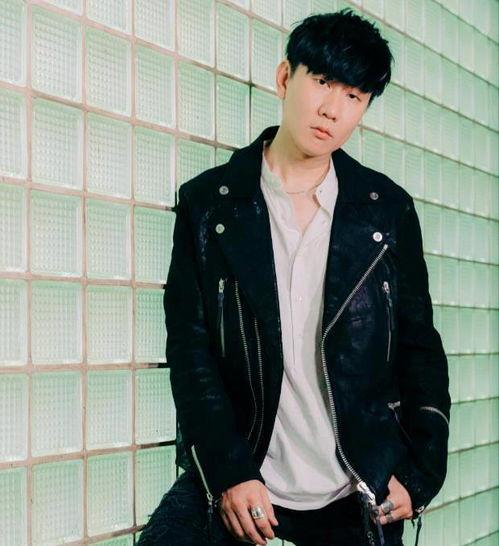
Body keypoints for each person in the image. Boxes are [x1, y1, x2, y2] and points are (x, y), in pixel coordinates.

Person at [138, 8, 450, 546]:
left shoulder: (386, 211)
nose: (332, 108)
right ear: (286, 78)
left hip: (355, 483)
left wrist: (422, 472)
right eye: (322, 81)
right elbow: (191, 351)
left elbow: (419, 346)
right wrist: (228, 471)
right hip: (246, 462)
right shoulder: (210, 205)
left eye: (353, 95)